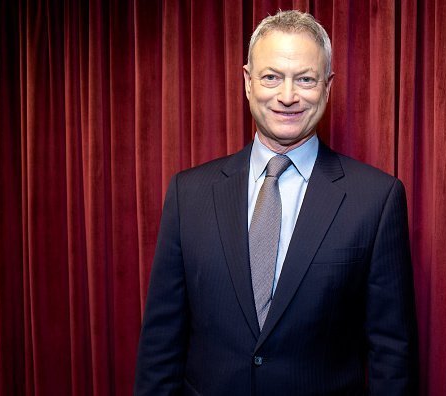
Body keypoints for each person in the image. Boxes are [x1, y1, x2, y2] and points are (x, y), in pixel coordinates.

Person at [134, 10, 417, 396]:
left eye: (305, 79)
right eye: (271, 77)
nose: (287, 96)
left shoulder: (376, 199)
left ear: (327, 87)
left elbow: (392, 355)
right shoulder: (189, 194)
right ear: (248, 82)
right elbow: (160, 345)